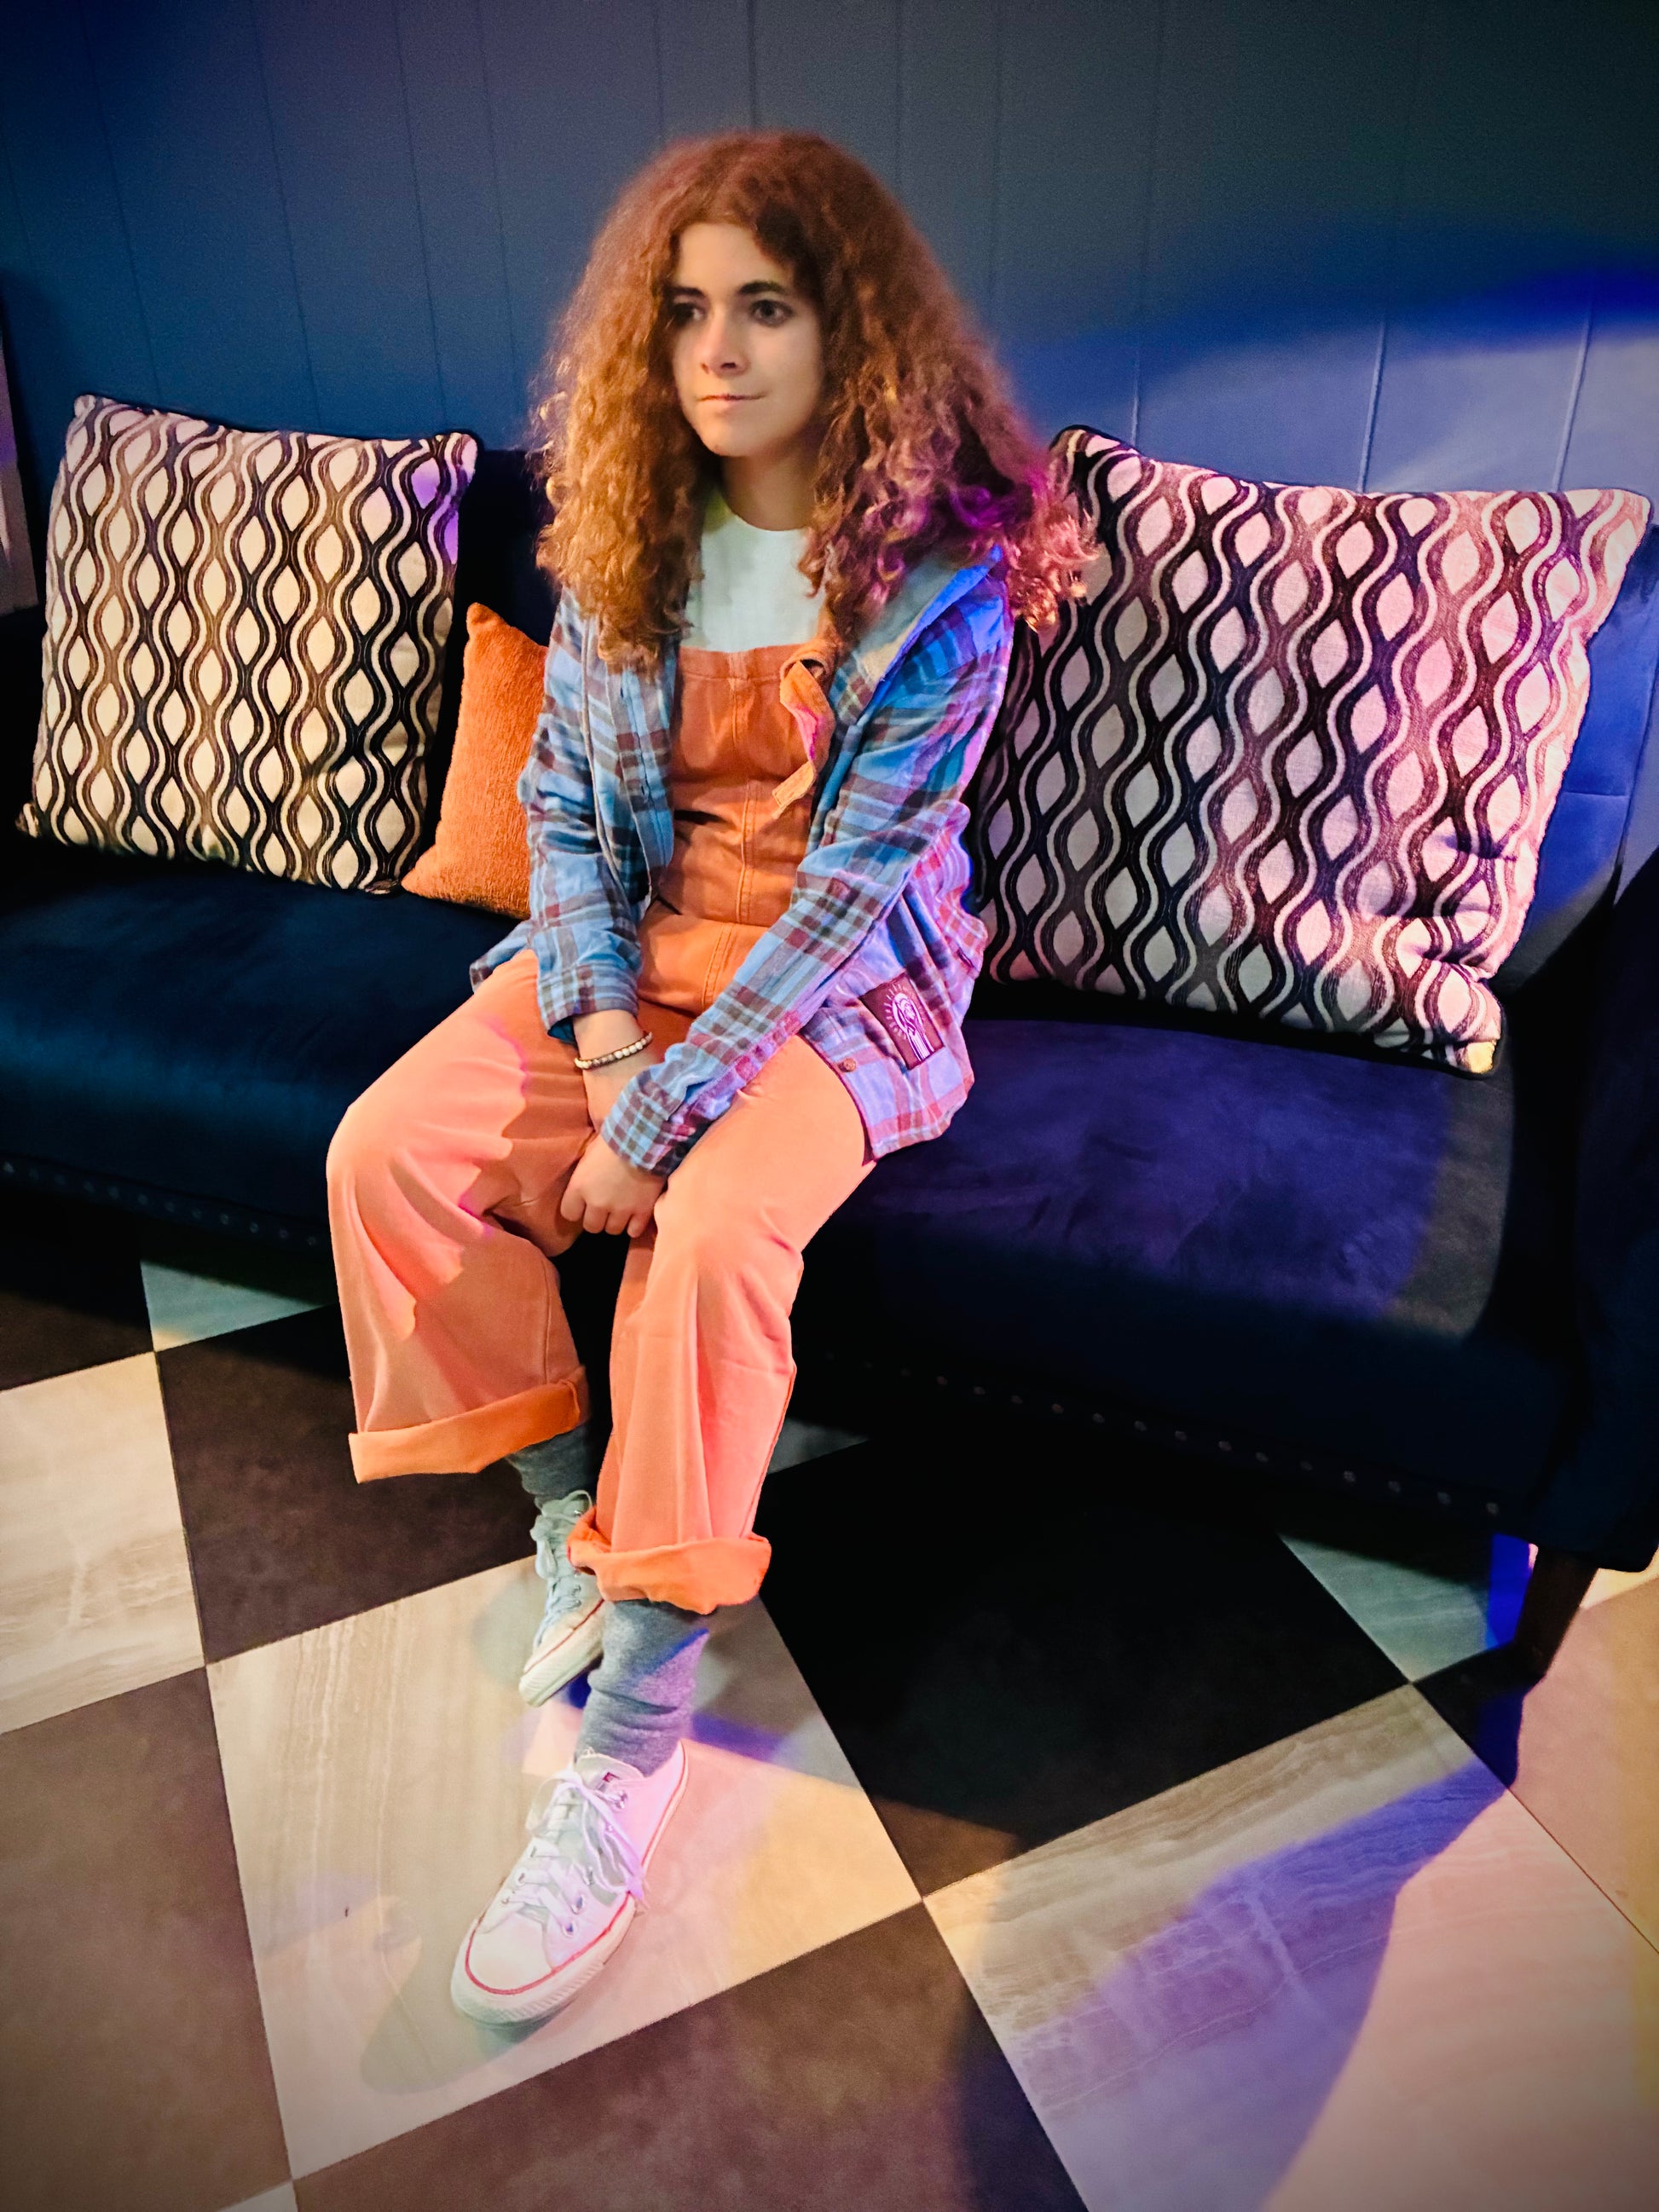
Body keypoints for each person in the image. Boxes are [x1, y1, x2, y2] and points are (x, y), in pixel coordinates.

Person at [325, 129, 1085, 2028]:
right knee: (387, 1152)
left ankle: (632, 1747)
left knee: (717, 1235)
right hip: (633, 964)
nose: (718, 351)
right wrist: (603, 1045)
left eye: (765, 306)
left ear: (857, 333)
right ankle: (569, 1521)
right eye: (683, 312)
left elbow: (846, 904)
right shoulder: (629, 536)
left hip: (835, 993)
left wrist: (656, 1126)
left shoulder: (944, 592)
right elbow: (564, 821)